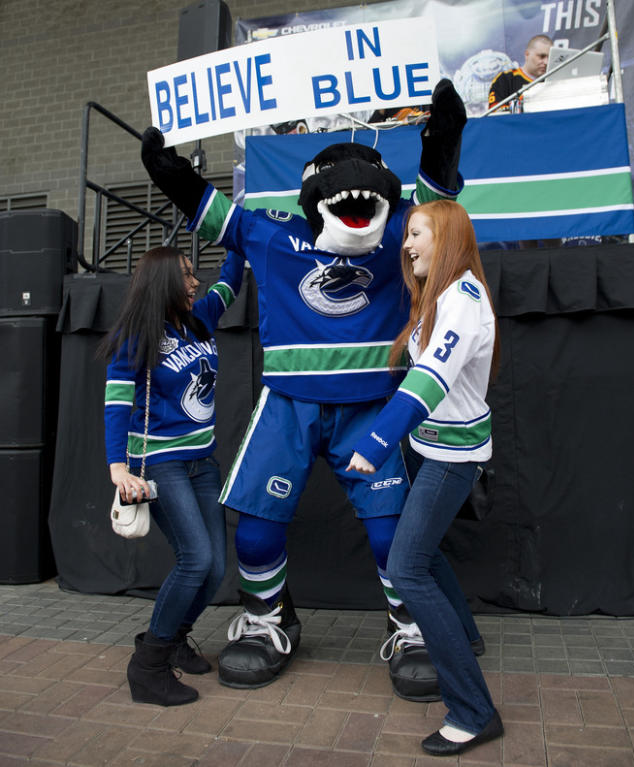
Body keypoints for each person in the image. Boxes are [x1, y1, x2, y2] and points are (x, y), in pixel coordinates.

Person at [140, 79, 478, 701]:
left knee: (389, 532)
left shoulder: (400, 230)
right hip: (289, 403)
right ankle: (270, 621)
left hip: (373, 402)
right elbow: (208, 211)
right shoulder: (272, 236)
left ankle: (410, 627)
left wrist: (443, 139)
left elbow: (438, 204)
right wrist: (169, 173)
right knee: (258, 527)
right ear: (307, 198)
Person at [347, 199, 503, 756]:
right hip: (424, 448)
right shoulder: (436, 297)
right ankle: (467, 637)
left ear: (448, 238)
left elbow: (433, 378)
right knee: (425, 554)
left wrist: (377, 440)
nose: (406, 244)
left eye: (417, 234)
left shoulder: (463, 298)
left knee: (408, 568)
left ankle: (474, 711)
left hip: (450, 458)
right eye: (407, 234)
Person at [101, 245, 244, 706]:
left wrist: (236, 236)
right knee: (195, 560)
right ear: (162, 281)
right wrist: (118, 468)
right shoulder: (137, 332)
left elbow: (228, 282)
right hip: (161, 464)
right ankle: (148, 667)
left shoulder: (200, 317)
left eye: (192, 273)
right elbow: (117, 402)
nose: (193, 282)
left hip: (203, 462)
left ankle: (176, 636)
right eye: (184, 275)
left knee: (216, 567)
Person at [488, 34, 552, 112]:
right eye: (541, 56)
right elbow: (495, 113)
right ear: (527, 54)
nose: (546, 62)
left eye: (549, 57)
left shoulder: (554, 82)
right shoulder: (505, 79)